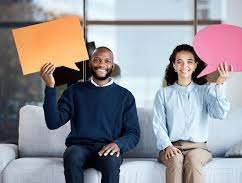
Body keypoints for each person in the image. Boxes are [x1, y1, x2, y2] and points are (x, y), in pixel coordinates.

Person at [40, 46, 140, 183]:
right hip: (79, 147)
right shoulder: (74, 91)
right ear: (90, 63)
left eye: (107, 61)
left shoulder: (125, 96)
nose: (101, 64)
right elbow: (53, 122)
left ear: (112, 65)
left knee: (111, 160)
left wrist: (118, 144)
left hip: (108, 147)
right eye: (97, 60)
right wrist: (50, 86)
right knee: (72, 156)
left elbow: (133, 133)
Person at [153, 44, 232, 183]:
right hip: (171, 146)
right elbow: (158, 124)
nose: (185, 66)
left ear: (195, 65)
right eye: (179, 62)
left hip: (198, 148)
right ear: (174, 65)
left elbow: (220, 114)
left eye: (189, 61)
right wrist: (167, 146)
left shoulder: (205, 91)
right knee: (175, 159)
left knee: (193, 159)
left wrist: (219, 85)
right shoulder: (163, 94)